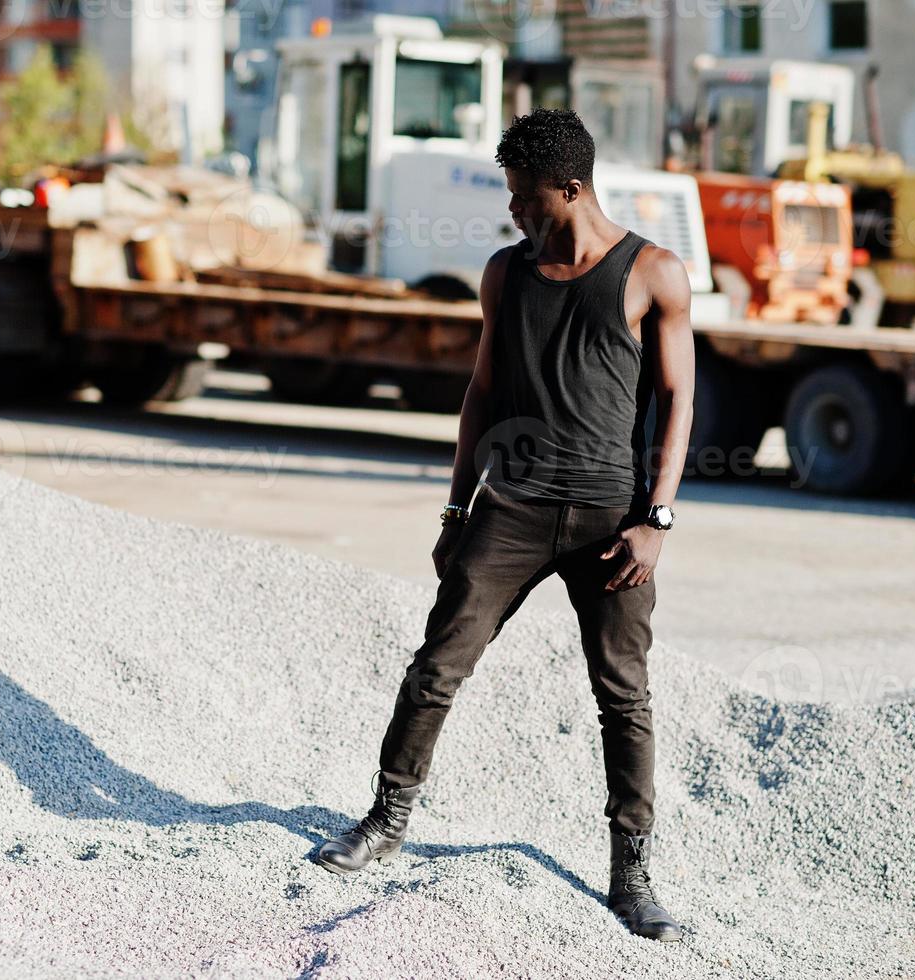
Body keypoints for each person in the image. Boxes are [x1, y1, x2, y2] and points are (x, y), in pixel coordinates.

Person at [314, 108, 695, 943]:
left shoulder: (654, 273)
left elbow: (677, 405)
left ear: (570, 187)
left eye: (523, 196)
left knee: (622, 697)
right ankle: (385, 820)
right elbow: (480, 395)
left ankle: (631, 873)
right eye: (508, 196)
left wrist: (657, 518)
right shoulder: (504, 273)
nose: (513, 210)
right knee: (436, 665)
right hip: (511, 510)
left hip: (610, 519)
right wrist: (457, 508)